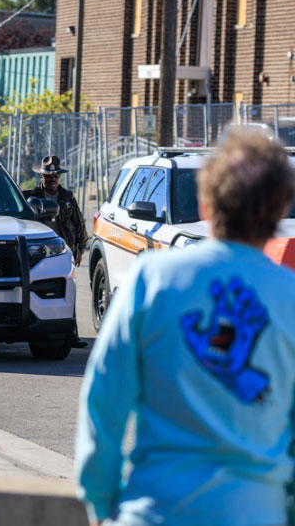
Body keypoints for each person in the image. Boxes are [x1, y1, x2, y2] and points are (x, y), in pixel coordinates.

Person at [75, 130, 295, 526]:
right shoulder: (289, 297)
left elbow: (104, 402)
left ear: (205, 203)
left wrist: (101, 501)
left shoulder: (150, 281)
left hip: (156, 512)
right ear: (281, 208)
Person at [24, 155, 89, 348]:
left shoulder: (67, 197)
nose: (52, 180)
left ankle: (71, 336)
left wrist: (80, 249)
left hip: (65, 252)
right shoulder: (31, 196)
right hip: (40, 254)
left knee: (69, 291)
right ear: (41, 177)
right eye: (48, 177)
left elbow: (79, 225)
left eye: (55, 177)